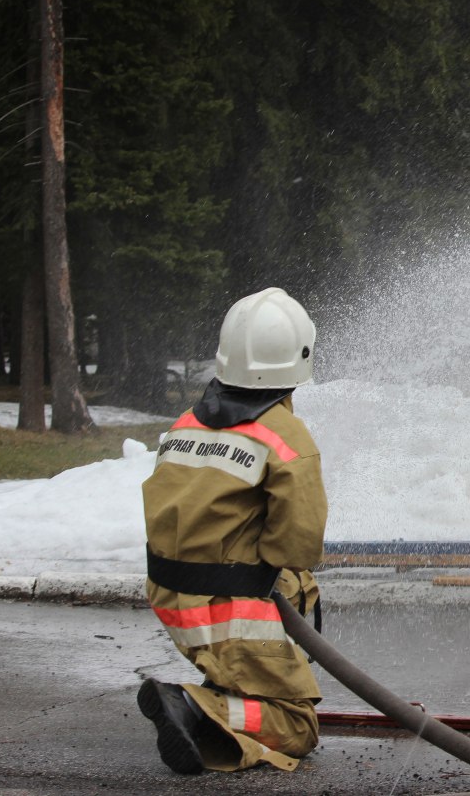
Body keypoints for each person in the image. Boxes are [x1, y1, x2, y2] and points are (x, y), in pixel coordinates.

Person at [138, 287, 328, 774]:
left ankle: (227, 691)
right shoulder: (288, 438)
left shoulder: (185, 425)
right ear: (299, 360)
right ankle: (200, 708)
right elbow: (297, 547)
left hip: (171, 600)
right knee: (297, 726)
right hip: (230, 613)